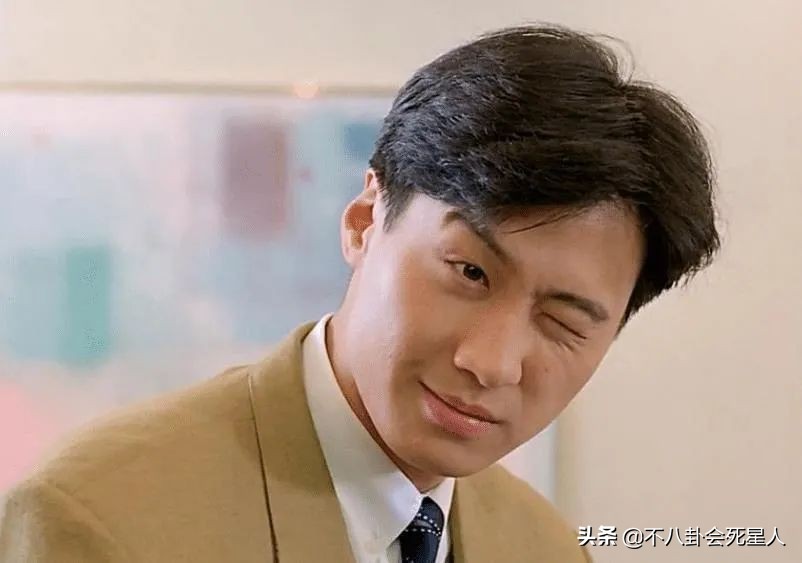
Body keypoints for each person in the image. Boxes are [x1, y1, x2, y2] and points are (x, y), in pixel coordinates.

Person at [0, 23, 719, 563]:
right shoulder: (101, 521)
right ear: (364, 219)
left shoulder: (546, 547)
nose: (492, 362)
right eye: (469, 273)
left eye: (562, 321)